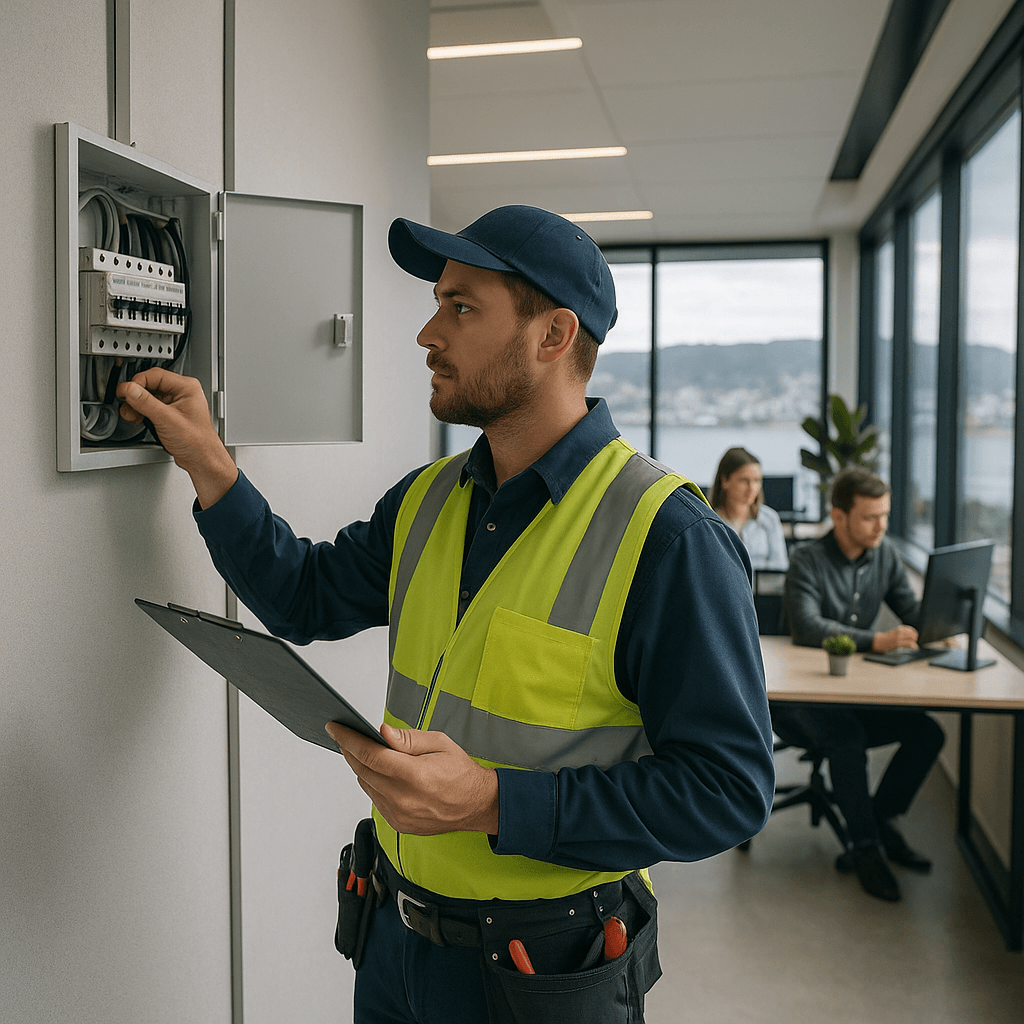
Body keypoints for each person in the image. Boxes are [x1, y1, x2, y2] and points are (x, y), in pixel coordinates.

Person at [117, 205, 775, 1023]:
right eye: (439, 304)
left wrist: (495, 802)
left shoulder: (670, 538)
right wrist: (209, 462)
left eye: (461, 308)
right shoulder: (428, 499)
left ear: (553, 336)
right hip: (392, 940)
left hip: (545, 968)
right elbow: (305, 595)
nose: (429, 332)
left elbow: (727, 792)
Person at [778, 466, 945, 902]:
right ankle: (865, 848)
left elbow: (909, 608)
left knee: (927, 732)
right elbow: (808, 628)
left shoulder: (884, 554)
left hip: (853, 693)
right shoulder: (807, 561)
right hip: (798, 702)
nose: (881, 526)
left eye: (885, 515)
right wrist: (877, 640)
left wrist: (938, 625)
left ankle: (879, 821)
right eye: (871, 517)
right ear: (839, 517)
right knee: (845, 738)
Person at [710, 447, 788, 571]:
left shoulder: (770, 518)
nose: (752, 488)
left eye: (757, 481)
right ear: (725, 481)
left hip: (766, 590)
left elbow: (780, 568)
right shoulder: (710, 522)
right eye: (744, 481)